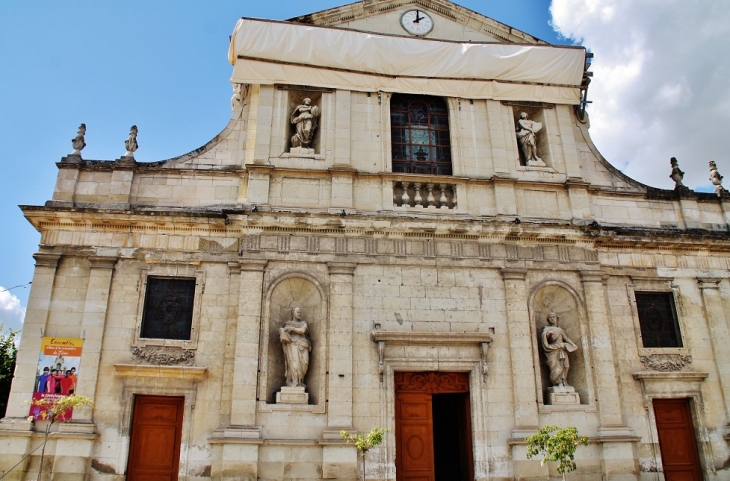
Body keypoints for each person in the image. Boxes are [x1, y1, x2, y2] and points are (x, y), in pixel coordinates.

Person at [541, 312, 578, 387]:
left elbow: (566, 338)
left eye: (553, 317)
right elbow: (545, 337)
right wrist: (548, 334)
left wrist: (573, 344)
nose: (552, 318)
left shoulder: (560, 330)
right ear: (548, 319)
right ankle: (558, 382)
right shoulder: (547, 329)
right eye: (550, 317)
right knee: (557, 367)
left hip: (562, 349)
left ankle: (564, 381)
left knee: (566, 366)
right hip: (553, 350)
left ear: (557, 318)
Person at [279, 307, 312, 387]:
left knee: (305, 362)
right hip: (292, 345)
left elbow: (303, 330)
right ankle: (295, 382)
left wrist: (292, 329)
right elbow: (284, 337)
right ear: (293, 313)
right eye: (297, 312)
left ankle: (300, 381)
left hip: (303, 345)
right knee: (294, 363)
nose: (299, 314)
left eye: (300, 312)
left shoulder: (303, 323)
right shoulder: (288, 324)